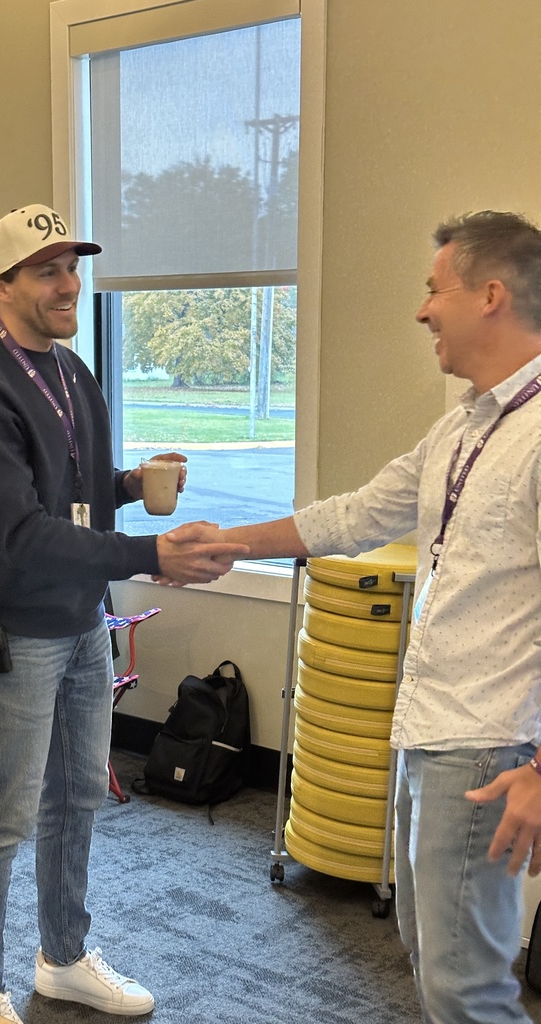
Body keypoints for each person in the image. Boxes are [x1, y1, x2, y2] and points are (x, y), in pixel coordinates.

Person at [167, 211, 541, 1023]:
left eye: (431, 290)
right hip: (429, 736)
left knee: (466, 987)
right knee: (433, 959)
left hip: (487, 749)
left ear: (490, 295)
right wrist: (225, 541)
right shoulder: (467, 423)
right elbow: (355, 516)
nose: (420, 311)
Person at [0, 203, 248, 1022]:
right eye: (46, 269)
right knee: (3, 817)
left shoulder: (70, 370)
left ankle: (62, 957)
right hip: (10, 634)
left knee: (80, 799)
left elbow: (66, 497)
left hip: (80, 624)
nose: (69, 283)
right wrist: (151, 554)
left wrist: (130, 486)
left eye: (72, 265)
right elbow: (25, 533)